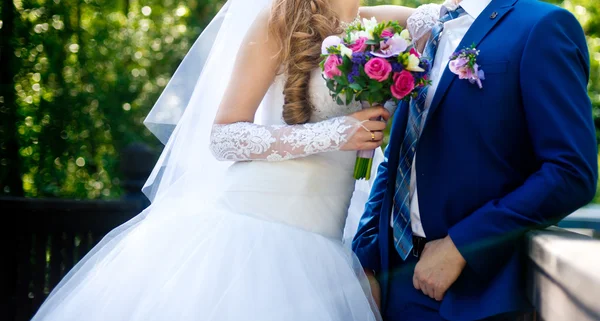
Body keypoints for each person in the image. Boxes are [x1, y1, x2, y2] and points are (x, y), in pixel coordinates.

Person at [29, 0, 436, 320]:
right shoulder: (279, 20)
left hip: (326, 241)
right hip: (253, 227)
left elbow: (456, 20)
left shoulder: (390, 28)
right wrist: (333, 134)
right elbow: (225, 135)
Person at [352, 0, 598, 320]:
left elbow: (570, 171)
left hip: (472, 293)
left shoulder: (543, 25)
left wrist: (461, 246)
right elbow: (402, 155)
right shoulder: (428, 29)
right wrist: (366, 255)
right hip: (391, 282)